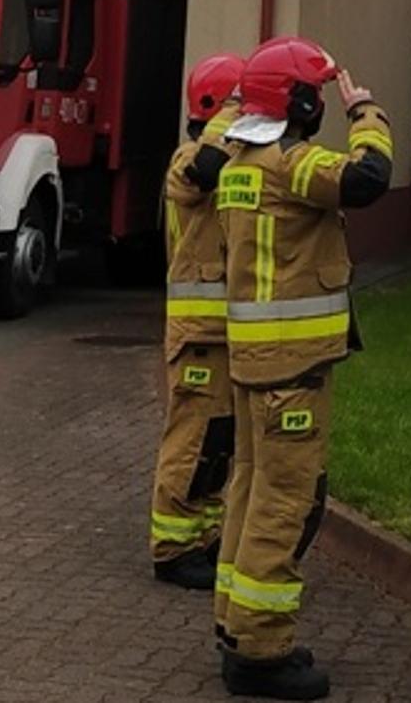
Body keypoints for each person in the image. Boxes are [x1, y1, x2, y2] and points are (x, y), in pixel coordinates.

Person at [197, 36, 391, 700]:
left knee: (248, 491)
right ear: (302, 102)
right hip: (292, 366)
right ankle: (260, 651)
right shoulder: (290, 163)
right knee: (285, 502)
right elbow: (367, 180)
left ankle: (234, 623)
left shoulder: (239, 162)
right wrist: (368, 115)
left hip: (256, 361)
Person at [151, 52, 246, 589]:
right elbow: (204, 170)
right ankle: (171, 545)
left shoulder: (227, 160)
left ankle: (204, 535)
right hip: (199, 333)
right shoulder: (191, 160)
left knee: (218, 440)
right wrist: (238, 109)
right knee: (190, 440)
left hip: (224, 330)